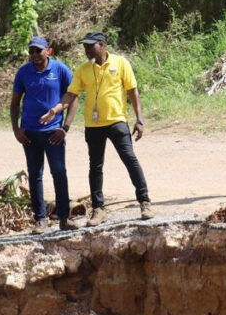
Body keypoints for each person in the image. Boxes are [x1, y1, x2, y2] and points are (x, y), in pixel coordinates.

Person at [42, 31, 154, 225]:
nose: (86, 50)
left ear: (102, 45)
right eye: (84, 46)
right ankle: (98, 209)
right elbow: (71, 93)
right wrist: (56, 109)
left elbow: (132, 91)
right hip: (93, 126)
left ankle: (144, 202)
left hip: (117, 121)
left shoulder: (120, 63)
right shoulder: (84, 69)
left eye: (90, 46)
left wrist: (139, 119)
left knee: (129, 159)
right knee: (95, 166)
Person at [10, 35, 78, 234]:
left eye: (38, 50)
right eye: (31, 51)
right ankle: (40, 219)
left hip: (53, 133)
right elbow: (15, 103)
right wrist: (16, 128)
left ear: (49, 51)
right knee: (35, 175)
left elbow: (73, 98)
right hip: (29, 133)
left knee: (59, 172)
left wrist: (64, 127)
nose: (34, 55)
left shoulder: (60, 70)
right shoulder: (23, 73)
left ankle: (65, 218)